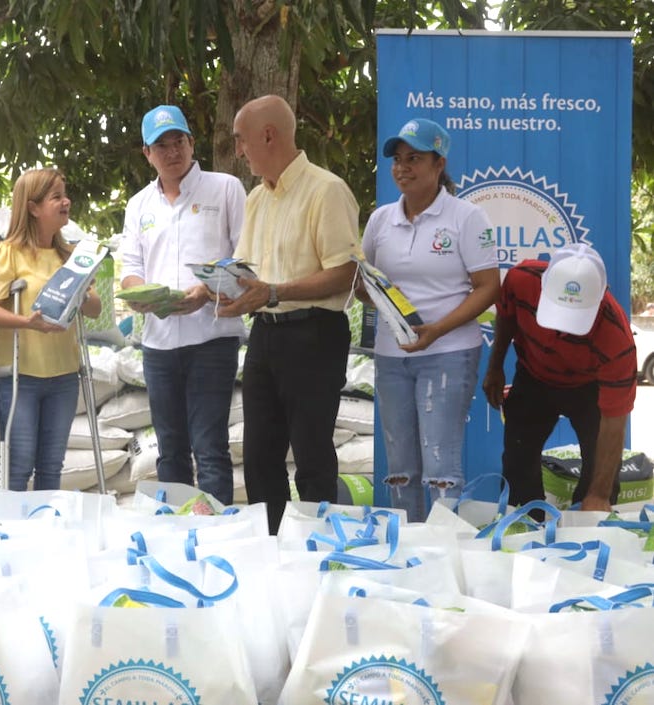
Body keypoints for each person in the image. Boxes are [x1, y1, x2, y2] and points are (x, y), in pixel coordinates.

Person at [216, 94, 361, 533]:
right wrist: (216, 290)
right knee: (259, 454)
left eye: (241, 140)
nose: (238, 151)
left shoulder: (327, 190)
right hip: (265, 334)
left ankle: (317, 553)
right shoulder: (257, 198)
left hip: (314, 334)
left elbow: (346, 273)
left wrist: (275, 292)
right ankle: (270, 547)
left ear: (268, 135)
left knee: (313, 455)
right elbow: (248, 274)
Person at [360, 118, 500, 521]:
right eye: (397, 159)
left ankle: (444, 549)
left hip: (449, 354)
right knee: (400, 468)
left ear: (439, 165)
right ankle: (408, 550)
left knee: (440, 468)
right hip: (391, 355)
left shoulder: (466, 218)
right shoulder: (380, 220)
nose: (402, 167)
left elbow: (489, 287)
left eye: (414, 158)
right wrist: (364, 289)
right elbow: (365, 284)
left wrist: (436, 330)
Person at [118, 105, 247, 506]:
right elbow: (130, 269)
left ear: (192, 143)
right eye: (162, 146)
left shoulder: (225, 188)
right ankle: (174, 536)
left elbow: (245, 260)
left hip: (212, 338)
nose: (173, 152)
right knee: (169, 449)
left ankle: (216, 536)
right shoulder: (139, 205)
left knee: (210, 447)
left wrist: (206, 293)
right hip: (158, 345)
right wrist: (142, 295)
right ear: (147, 154)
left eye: (179, 142)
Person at [482, 243, 636, 512]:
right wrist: (495, 367)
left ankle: (591, 523)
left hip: (589, 387)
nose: (563, 329)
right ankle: (527, 522)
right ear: (544, 285)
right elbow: (507, 318)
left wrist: (598, 495)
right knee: (518, 459)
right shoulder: (521, 279)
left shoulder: (616, 337)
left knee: (601, 474)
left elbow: (614, 424)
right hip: (533, 375)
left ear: (600, 297)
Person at [0, 168, 102, 491]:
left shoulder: (71, 256)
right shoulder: (7, 254)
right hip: (21, 377)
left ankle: (47, 532)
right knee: (19, 464)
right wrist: (26, 322)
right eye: (56, 197)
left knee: (51, 465)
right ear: (33, 208)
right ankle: (13, 531)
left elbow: (95, 309)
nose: (66, 202)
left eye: (65, 195)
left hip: (63, 376)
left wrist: (83, 291)